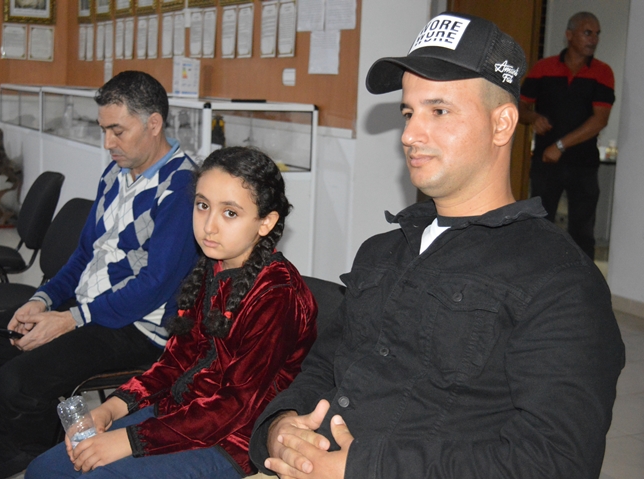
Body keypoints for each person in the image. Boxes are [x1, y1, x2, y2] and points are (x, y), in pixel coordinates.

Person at [249, 12, 625, 479]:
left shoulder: (559, 279)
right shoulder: (382, 252)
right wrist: (282, 424)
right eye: (408, 113)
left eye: (439, 111)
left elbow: (557, 461)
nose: (409, 135)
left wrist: (363, 468)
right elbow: (326, 366)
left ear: (502, 124)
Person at [0, 71, 200, 479]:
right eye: (104, 130)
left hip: (137, 328)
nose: (108, 143)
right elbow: (84, 255)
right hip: (87, 310)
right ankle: (22, 458)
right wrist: (42, 300)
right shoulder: (115, 173)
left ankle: (43, 462)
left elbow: (153, 286)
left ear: (154, 124)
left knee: (15, 385)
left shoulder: (181, 188)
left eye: (117, 131)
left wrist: (71, 319)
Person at [25, 146, 318, 478]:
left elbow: (235, 406)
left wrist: (130, 441)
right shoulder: (210, 267)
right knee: (44, 469)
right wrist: (110, 409)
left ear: (266, 222)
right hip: (178, 413)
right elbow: (174, 361)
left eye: (230, 213)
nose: (209, 226)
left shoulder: (277, 294)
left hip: (232, 440)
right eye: (202, 206)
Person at [519, 11, 615, 260]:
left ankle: (582, 281)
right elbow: (519, 108)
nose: (594, 39)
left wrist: (559, 146)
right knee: (540, 225)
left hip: (583, 165)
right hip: (545, 164)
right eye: (587, 33)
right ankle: (537, 276)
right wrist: (533, 117)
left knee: (582, 232)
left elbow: (600, 120)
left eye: (597, 34)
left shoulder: (603, 72)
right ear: (569, 35)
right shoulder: (543, 68)